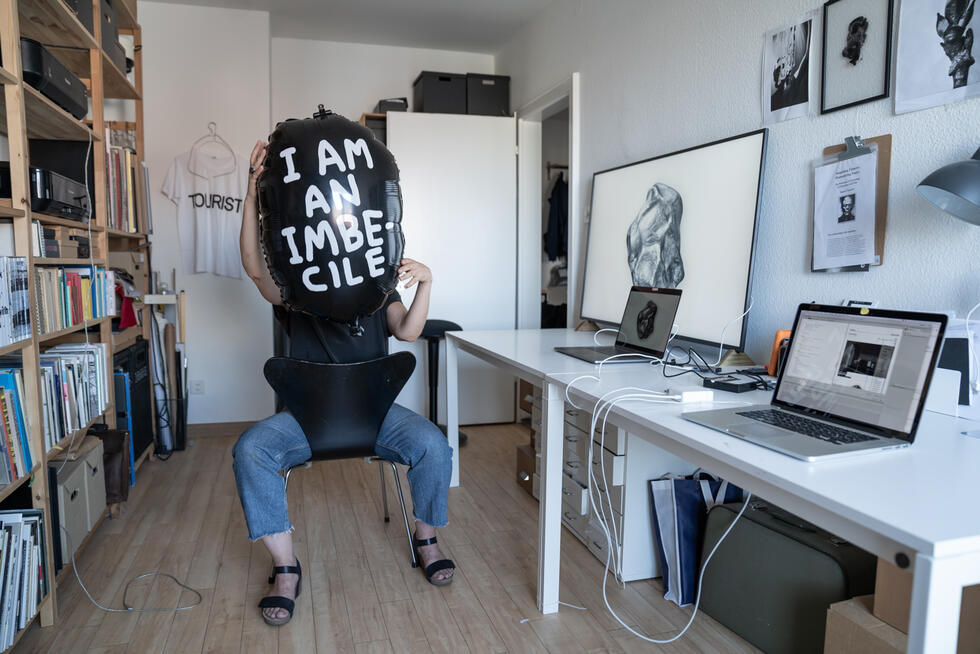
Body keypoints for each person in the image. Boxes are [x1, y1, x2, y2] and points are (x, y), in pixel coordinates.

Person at [234, 140, 455, 627]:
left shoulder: (378, 284)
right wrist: (252, 192)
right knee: (251, 450)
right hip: (306, 419)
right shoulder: (295, 284)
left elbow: (410, 331)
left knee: (434, 446)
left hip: (375, 415)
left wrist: (427, 282)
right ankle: (285, 566)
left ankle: (427, 538)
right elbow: (253, 266)